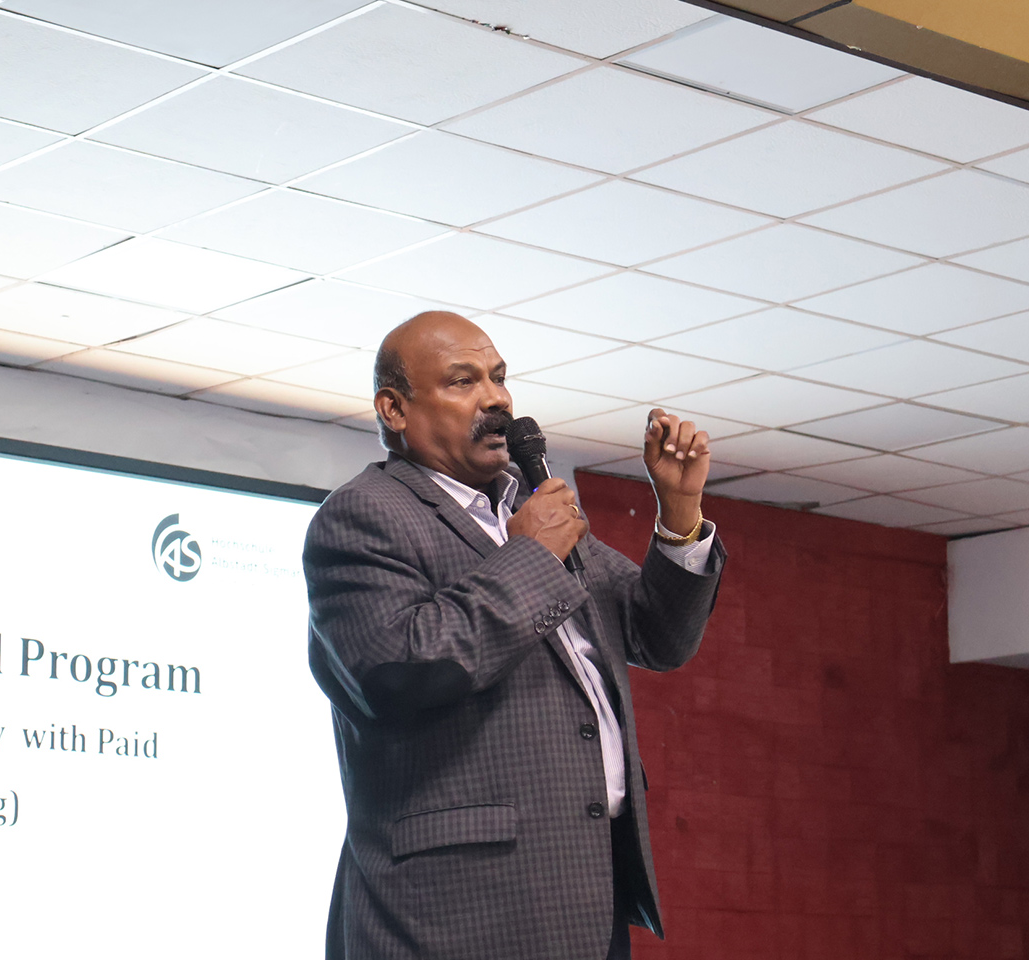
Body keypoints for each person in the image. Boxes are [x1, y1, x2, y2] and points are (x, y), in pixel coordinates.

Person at [304, 311, 726, 960]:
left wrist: (679, 515)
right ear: (395, 409)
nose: (496, 397)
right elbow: (398, 672)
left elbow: (657, 636)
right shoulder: (365, 515)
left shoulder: (527, 508)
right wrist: (531, 555)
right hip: (453, 915)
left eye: (498, 378)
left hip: (581, 898)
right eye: (463, 381)